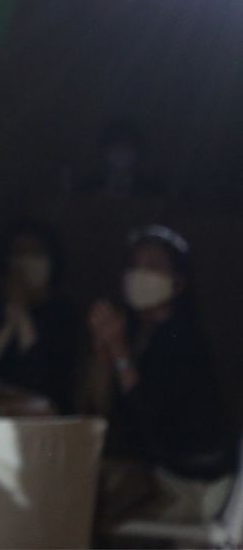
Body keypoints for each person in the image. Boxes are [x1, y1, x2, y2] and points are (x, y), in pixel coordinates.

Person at [87, 225, 237, 524]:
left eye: (153, 267)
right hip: (152, 469)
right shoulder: (136, 333)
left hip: (190, 481)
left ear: (178, 283)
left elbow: (150, 421)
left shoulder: (184, 339)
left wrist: (119, 352)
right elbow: (96, 408)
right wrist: (104, 353)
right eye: (135, 266)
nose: (140, 275)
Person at [0, 219, 80, 413]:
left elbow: (45, 379)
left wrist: (24, 319)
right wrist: (10, 323)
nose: (26, 262)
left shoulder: (64, 313)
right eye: (19, 253)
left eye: (36, 254)